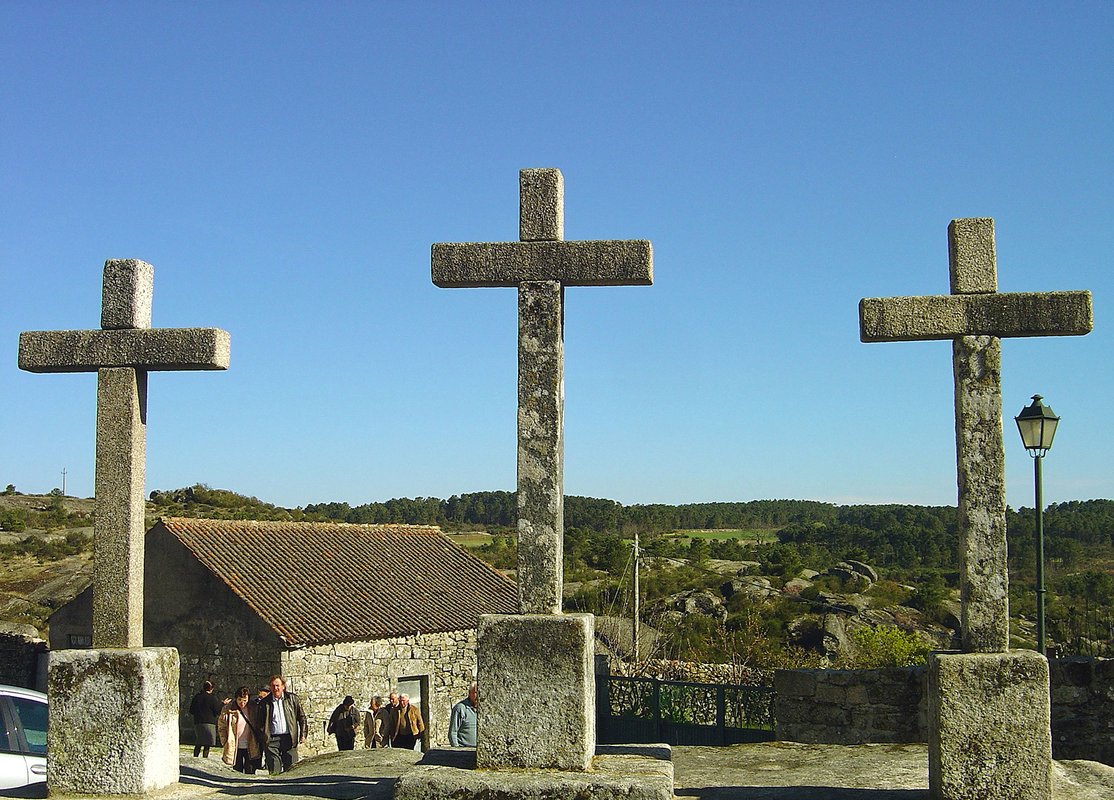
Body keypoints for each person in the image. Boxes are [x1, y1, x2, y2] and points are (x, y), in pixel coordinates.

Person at [255, 675, 308, 774]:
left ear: (283, 686)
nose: (275, 688)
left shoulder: (293, 699)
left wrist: (303, 734)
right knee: (274, 771)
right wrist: (264, 738)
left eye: (277, 685)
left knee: (292, 770)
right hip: (272, 741)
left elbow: (302, 718)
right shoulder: (264, 703)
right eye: (273, 686)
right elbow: (259, 723)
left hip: (289, 739)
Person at [218, 687, 262, 773]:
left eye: (245, 700)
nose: (242, 703)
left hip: (250, 744)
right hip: (235, 744)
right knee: (237, 770)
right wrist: (225, 741)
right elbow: (221, 726)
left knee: (250, 770)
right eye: (239, 700)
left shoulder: (254, 708)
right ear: (236, 698)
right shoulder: (228, 709)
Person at [188, 681, 226, 758]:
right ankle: (205, 758)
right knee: (207, 743)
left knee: (199, 741)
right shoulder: (212, 698)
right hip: (209, 722)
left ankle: (195, 757)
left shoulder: (197, 697)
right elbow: (217, 711)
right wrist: (223, 704)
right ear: (212, 689)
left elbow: (191, 710)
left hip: (198, 722)